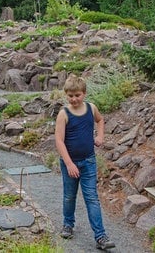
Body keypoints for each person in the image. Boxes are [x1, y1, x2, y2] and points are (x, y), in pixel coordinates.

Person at [54, 74, 116, 250]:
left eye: (77, 95)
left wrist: (100, 135)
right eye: (70, 96)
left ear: (84, 93)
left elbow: (100, 120)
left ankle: (101, 236)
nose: (74, 99)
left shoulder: (91, 108)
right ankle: (68, 224)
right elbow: (59, 141)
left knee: (92, 198)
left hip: (89, 161)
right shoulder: (63, 114)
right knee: (69, 196)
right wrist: (69, 164)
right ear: (66, 95)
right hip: (70, 163)